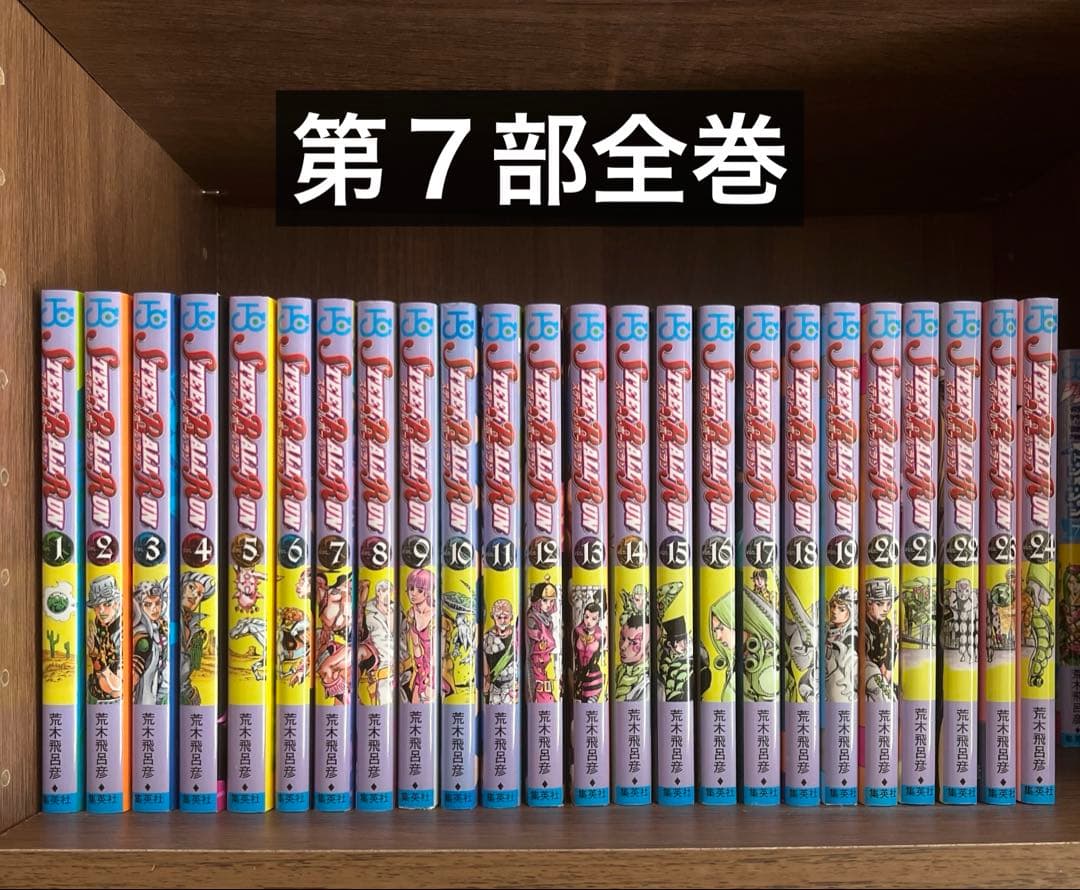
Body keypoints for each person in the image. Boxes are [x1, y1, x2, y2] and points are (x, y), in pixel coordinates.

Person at [87, 575, 122, 703]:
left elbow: (117, 688)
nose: (101, 610)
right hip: (97, 696)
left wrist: (96, 657)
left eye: (107, 604)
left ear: (117, 604)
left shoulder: (121, 634)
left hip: (116, 702)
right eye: (96, 605)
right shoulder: (98, 625)